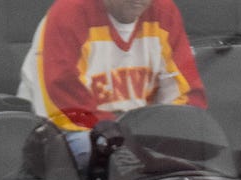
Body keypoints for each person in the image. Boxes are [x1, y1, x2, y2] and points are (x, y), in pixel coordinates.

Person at [21, 0, 210, 167]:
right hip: (69, 130)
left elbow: (187, 94)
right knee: (105, 160)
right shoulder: (68, 12)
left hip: (136, 132)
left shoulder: (164, 12)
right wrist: (117, 136)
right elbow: (61, 100)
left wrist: (169, 133)